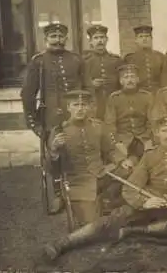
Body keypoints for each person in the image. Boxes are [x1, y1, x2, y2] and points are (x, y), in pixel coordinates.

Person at [42, 115, 167, 262]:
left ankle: (133, 231)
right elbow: (129, 187)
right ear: (157, 133)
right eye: (164, 131)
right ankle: (62, 243)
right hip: (149, 202)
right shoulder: (149, 155)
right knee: (107, 221)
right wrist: (144, 202)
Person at [20, 22, 86, 213]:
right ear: (46, 39)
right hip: (51, 119)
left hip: (76, 115)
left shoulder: (75, 59)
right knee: (55, 155)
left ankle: (78, 192)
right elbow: (27, 94)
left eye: (61, 36)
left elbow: (86, 88)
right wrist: (34, 123)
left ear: (66, 38)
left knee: (80, 151)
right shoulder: (38, 61)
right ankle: (58, 194)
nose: (57, 40)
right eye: (53, 37)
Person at [46, 90, 132, 227]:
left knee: (130, 171)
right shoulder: (59, 131)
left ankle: (106, 200)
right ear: (68, 107)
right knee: (93, 224)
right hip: (77, 181)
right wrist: (54, 150)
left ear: (89, 107)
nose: (80, 108)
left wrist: (121, 160)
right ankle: (98, 206)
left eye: (84, 105)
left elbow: (110, 150)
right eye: (76, 105)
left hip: (101, 174)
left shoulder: (98, 126)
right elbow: (52, 169)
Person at [103, 64, 155, 212]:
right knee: (124, 168)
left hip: (143, 138)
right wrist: (117, 143)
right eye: (126, 77)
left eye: (132, 77)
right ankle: (114, 199)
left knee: (148, 167)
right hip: (123, 140)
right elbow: (109, 124)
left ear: (138, 79)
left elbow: (152, 121)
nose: (130, 80)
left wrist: (149, 139)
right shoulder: (114, 98)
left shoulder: (147, 96)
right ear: (121, 81)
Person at [82, 24, 122, 120]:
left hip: (114, 103)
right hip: (94, 104)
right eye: (96, 38)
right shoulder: (84, 61)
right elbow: (79, 83)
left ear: (106, 39)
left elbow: (122, 82)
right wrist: (91, 84)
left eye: (102, 37)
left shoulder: (116, 60)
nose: (100, 41)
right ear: (90, 41)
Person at [123, 25, 166, 94]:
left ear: (151, 39)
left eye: (147, 36)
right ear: (136, 40)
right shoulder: (129, 58)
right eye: (141, 37)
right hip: (138, 94)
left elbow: (165, 78)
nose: (144, 39)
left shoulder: (160, 56)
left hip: (157, 93)